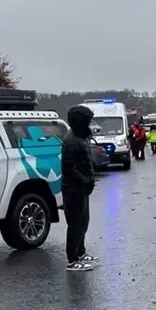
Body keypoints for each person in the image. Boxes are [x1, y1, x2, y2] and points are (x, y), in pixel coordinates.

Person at [62, 104, 99, 272]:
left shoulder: (80, 136)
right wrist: (85, 180)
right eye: (88, 121)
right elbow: (69, 168)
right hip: (73, 189)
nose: (90, 124)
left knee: (84, 222)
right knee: (76, 224)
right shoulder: (72, 140)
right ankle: (72, 259)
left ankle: (81, 252)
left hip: (81, 189)